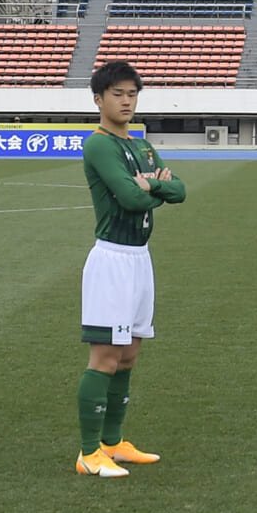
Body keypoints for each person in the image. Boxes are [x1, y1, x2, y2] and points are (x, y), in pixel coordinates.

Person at [75, 60, 183, 476]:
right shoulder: (99, 143)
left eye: (132, 93)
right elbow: (130, 198)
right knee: (104, 356)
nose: (126, 100)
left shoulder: (141, 145)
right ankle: (88, 453)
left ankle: (113, 442)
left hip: (141, 258)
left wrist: (152, 185)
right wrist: (157, 187)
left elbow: (181, 189)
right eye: (117, 94)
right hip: (112, 259)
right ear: (99, 99)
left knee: (130, 354)